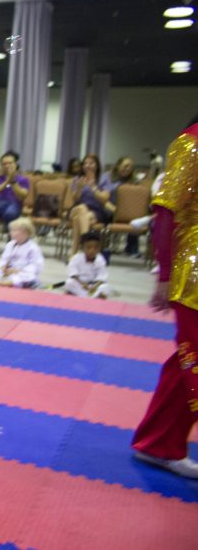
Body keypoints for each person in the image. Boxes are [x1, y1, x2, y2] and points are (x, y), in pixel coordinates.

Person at [132, 113, 198, 479]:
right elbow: (166, 212)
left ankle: (158, 442)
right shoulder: (190, 143)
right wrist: (165, 273)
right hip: (194, 272)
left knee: (186, 362)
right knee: (193, 359)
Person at [68, 154, 112, 255]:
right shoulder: (77, 179)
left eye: (91, 163)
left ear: (97, 165)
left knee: (78, 219)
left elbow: (104, 199)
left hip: (96, 212)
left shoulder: (104, 179)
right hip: (76, 209)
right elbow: (75, 199)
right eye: (85, 163)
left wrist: (93, 186)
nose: (88, 165)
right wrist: (79, 188)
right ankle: (87, 242)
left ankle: (73, 254)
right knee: (81, 207)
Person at [0, 217, 44, 288]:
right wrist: (3, 267)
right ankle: (4, 283)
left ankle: (2, 283)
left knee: (27, 277)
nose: (11, 233)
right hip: (9, 271)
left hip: (21, 272)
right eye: (11, 230)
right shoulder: (10, 244)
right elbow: (4, 259)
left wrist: (18, 270)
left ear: (25, 232)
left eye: (14, 230)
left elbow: (36, 265)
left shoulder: (33, 248)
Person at [65, 231, 110, 298]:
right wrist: (82, 284)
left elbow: (101, 276)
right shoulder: (76, 258)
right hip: (80, 284)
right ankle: (83, 297)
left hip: (93, 286)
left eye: (95, 248)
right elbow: (73, 274)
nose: (92, 250)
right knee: (69, 282)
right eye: (88, 247)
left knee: (105, 287)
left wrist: (95, 286)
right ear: (83, 247)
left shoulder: (100, 260)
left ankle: (94, 298)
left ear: (99, 248)